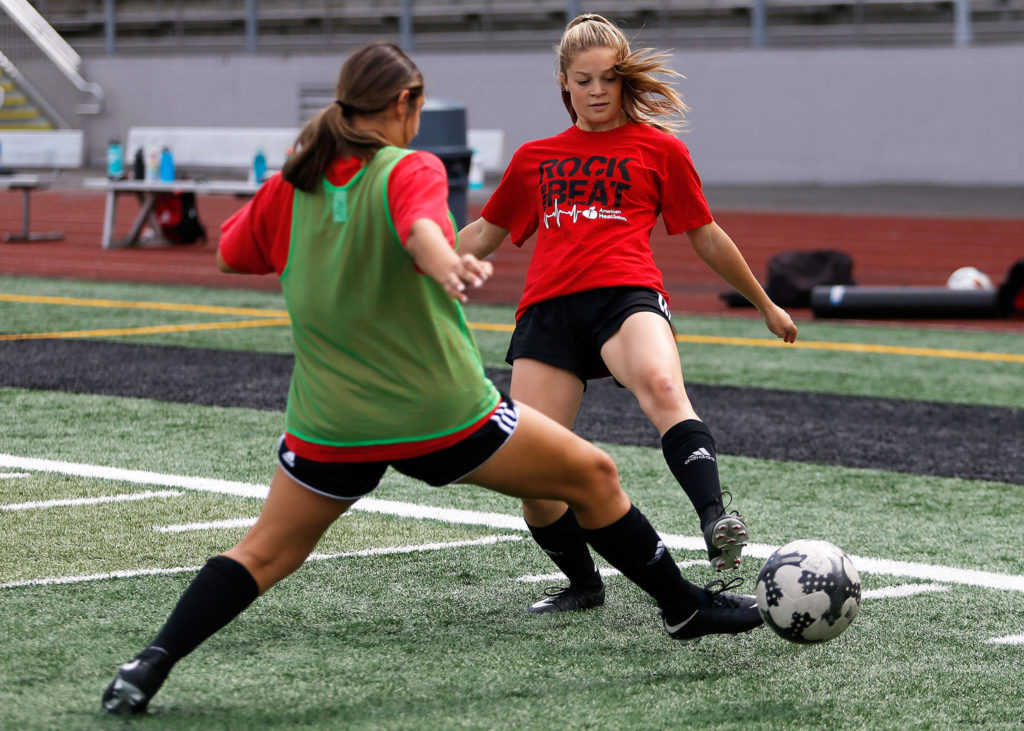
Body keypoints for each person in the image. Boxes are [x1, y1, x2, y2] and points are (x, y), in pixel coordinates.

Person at [101, 41, 763, 716]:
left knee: (264, 552)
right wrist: (442, 262)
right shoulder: (407, 165)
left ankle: (148, 663)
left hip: (330, 423)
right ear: (405, 104)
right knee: (592, 475)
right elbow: (420, 226)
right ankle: (682, 608)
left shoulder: (288, 187)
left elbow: (229, 254)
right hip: (438, 414)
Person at [459, 14, 799, 614]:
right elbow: (485, 233)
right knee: (535, 479)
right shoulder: (536, 157)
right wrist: (411, 267)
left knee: (663, 385)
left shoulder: (660, 149)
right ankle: (584, 584)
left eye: (609, 79)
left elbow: (706, 235)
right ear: (564, 83)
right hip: (548, 312)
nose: (596, 90)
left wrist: (765, 304)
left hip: (625, 295)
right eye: (583, 80)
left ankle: (716, 519)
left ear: (623, 81)